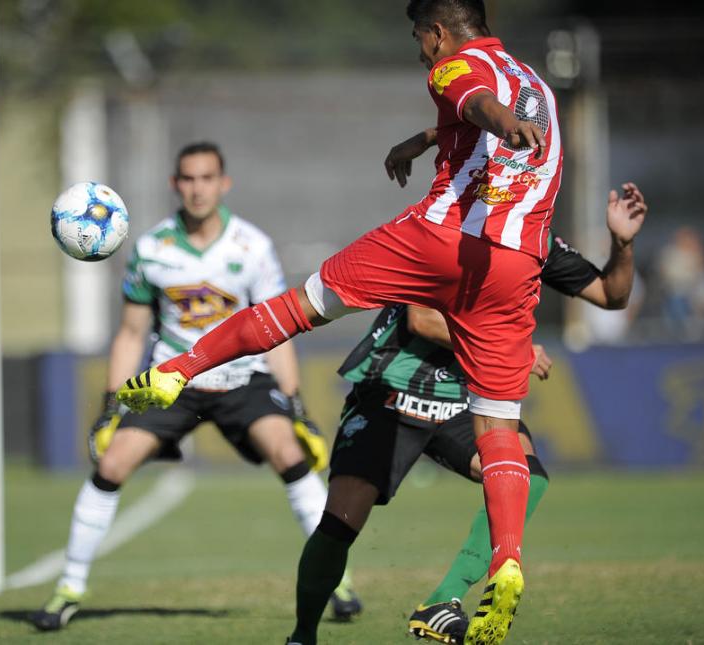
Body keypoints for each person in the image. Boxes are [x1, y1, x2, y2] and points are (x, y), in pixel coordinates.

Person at [117, 3, 561, 644]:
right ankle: (508, 559)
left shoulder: (454, 68)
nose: (420, 53)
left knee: (298, 306)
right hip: (515, 264)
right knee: (501, 429)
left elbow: (474, 103)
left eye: (419, 39)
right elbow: (487, 116)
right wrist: (431, 138)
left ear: (437, 31)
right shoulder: (535, 83)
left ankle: (175, 370)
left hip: (440, 238)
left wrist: (495, 120)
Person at [31, 141, 362, 632]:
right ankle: (69, 587)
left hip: (242, 378)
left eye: (207, 178)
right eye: (187, 179)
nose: (197, 188)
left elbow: (280, 328)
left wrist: (295, 406)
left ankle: (337, 579)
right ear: (175, 184)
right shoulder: (150, 248)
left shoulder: (252, 246)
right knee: (112, 462)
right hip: (174, 381)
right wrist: (111, 406)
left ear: (223, 184)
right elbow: (131, 332)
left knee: (291, 455)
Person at [312, 182, 644, 644]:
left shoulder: (537, 241)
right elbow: (421, 320)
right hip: (393, 386)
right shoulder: (443, 226)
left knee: (530, 475)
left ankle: (440, 601)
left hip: (463, 398)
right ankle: (301, 634)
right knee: (339, 527)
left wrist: (623, 244)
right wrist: (517, 348)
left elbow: (612, 295)